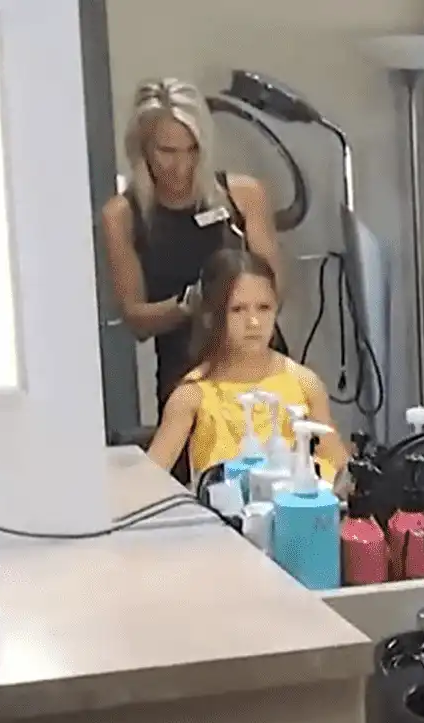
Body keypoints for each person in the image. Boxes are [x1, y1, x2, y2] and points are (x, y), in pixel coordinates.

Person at [101, 78, 289, 484]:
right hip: (186, 372)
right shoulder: (124, 215)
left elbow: (277, 290)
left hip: (261, 366)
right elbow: (135, 319)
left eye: (191, 150)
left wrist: (240, 299)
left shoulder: (242, 195)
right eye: (166, 152)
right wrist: (190, 305)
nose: (181, 166)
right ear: (142, 149)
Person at [147, 249, 348, 485]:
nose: (254, 323)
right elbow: (149, 481)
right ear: (211, 316)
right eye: (238, 309)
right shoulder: (192, 395)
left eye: (264, 308)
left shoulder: (304, 383)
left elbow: (339, 466)